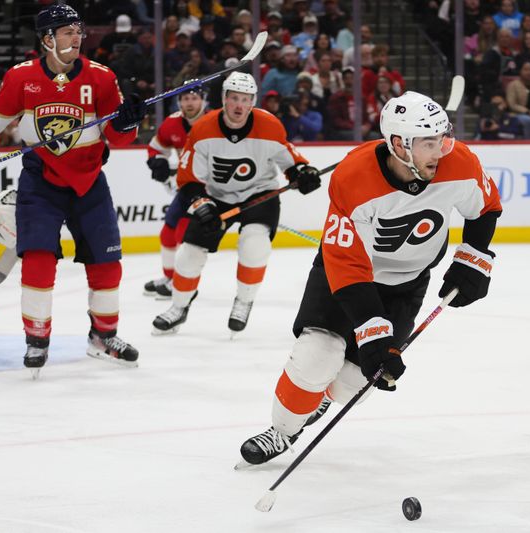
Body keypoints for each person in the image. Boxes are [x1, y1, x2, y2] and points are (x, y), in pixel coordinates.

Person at [238, 90, 502, 466]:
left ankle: (324, 398)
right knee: (318, 356)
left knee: (357, 383)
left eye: (443, 139)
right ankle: (282, 431)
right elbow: (347, 264)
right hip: (345, 276)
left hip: (407, 283)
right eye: (430, 143)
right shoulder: (353, 177)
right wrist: (372, 329)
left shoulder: (458, 161)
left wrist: (472, 259)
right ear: (399, 144)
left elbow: (486, 208)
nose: (441, 150)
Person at [0, 3, 148, 373]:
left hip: (90, 181)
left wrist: (125, 124)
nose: (78, 38)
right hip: (41, 181)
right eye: (68, 32)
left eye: (79, 31)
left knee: (107, 262)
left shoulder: (102, 78)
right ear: (47, 39)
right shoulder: (20, 78)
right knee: (39, 260)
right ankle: (37, 340)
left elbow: (119, 140)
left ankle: (103, 337)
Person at [151, 72, 322, 335]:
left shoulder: (270, 125)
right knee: (189, 254)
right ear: (223, 100)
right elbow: (188, 177)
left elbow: (291, 160)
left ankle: (243, 301)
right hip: (215, 195)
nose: (239, 106)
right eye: (234, 99)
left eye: (245, 99)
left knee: (255, 246)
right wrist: (200, 201)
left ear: (253, 101)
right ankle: (179, 306)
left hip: (259, 194)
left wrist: (302, 173)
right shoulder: (203, 128)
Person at [143, 82, 208, 298]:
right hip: (187, 188)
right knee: (168, 232)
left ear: (203, 100)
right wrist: (157, 162)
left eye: (194, 98)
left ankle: (181, 282)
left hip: (212, 190)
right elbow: (156, 147)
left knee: (183, 233)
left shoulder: (215, 122)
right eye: (185, 99)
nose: (189, 103)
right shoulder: (172, 123)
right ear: (179, 102)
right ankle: (170, 278)